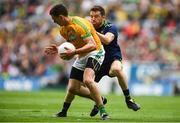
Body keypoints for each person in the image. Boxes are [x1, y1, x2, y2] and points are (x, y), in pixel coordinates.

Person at [44, 4, 109, 120]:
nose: (54, 22)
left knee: (88, 80)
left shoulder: (79, 24)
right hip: (82, 54)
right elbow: (73, 44)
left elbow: (92, 45)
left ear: (61, 17)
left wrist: (74, 53)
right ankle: (64, 111)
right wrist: (59, 49)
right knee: (72, 88)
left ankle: (103, 112)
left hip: (96, 52)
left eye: (55, 19)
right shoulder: (63, 30)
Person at [89, 5, 140, 116]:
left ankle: (128, 99)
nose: (93, 19)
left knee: (117, 69)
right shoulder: (88, 27)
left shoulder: (111, 27)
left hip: (112, 58)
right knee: (86, 84)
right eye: (91, 16)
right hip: (97, 60)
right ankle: (100, 101)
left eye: (96, 16)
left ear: (103, 17)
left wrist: (92, 31)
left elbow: (107, 40)